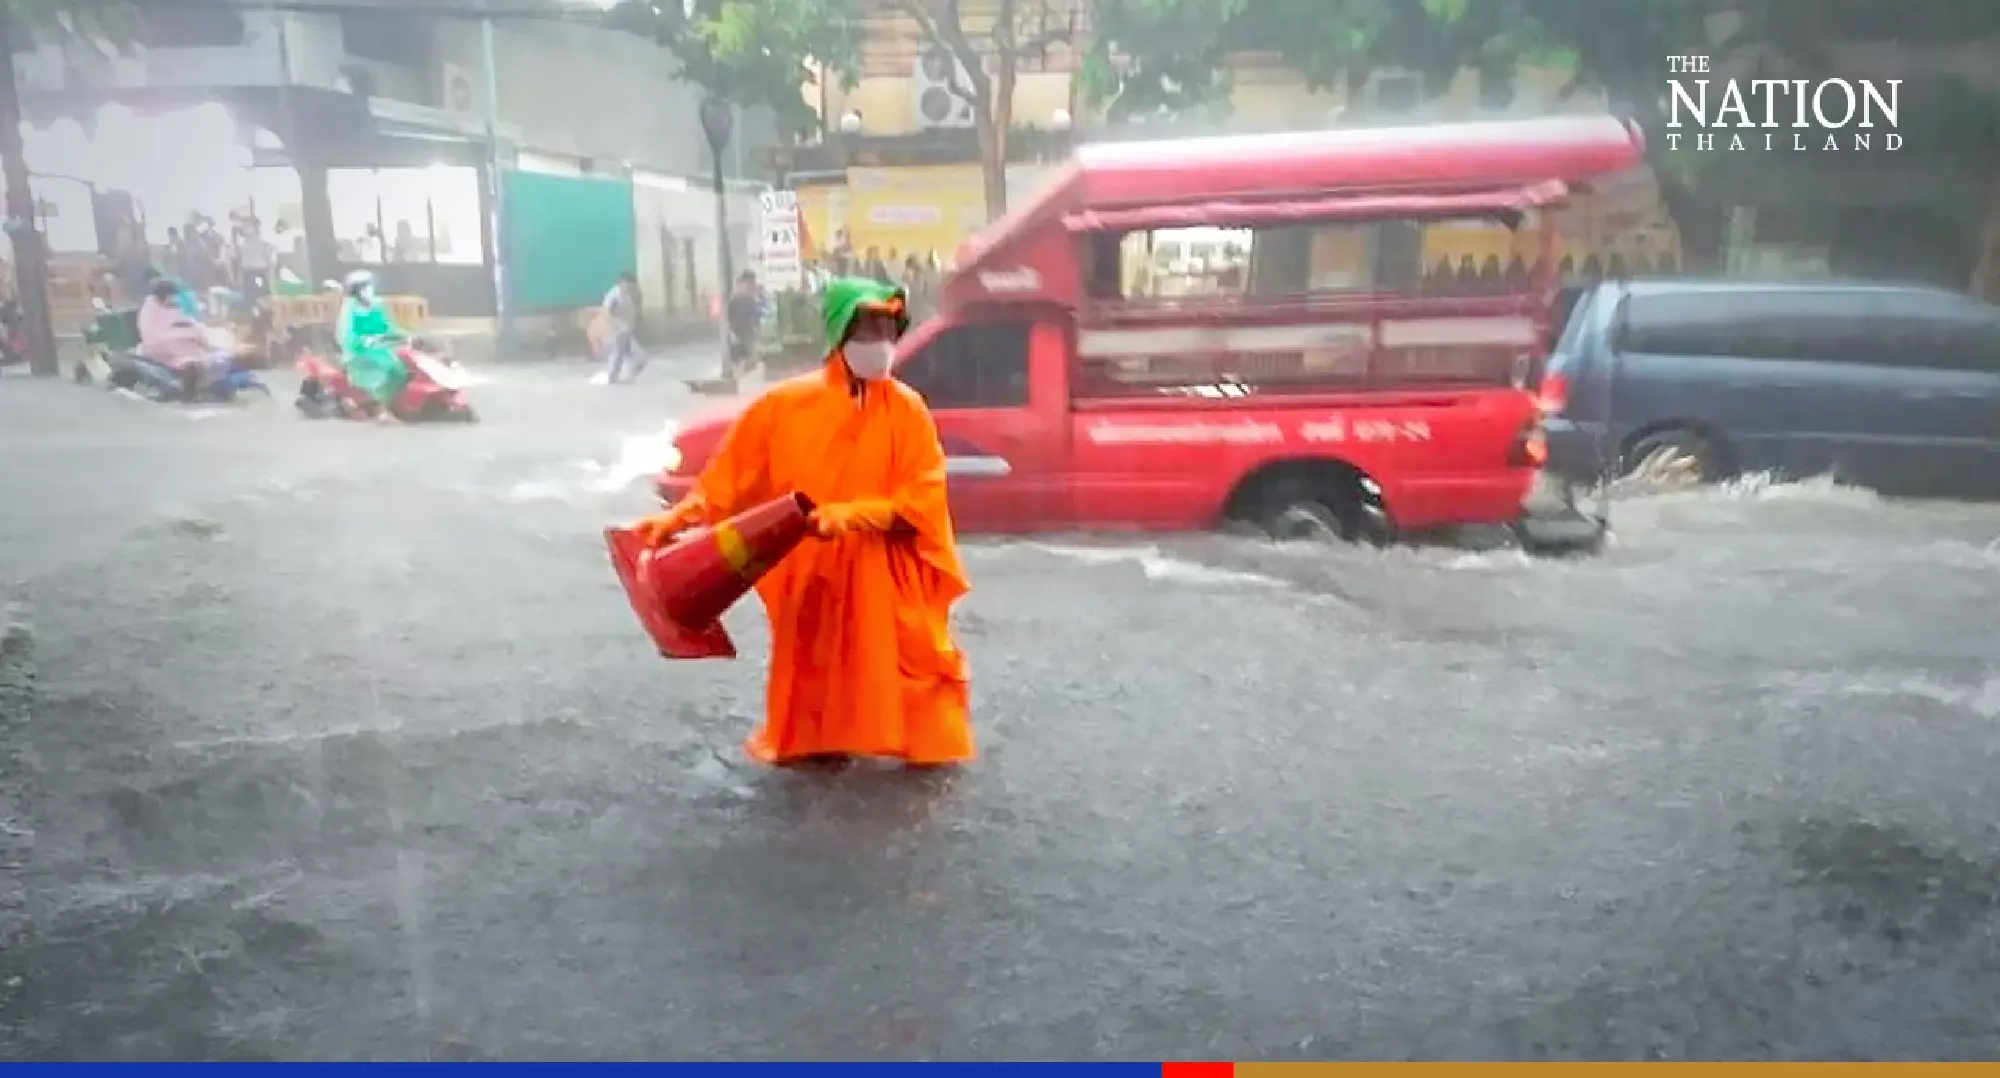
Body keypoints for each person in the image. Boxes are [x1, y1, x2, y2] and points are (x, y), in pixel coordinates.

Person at [631, 277, 974, 769]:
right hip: (812, 573)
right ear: (839, 334)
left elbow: (922, 496)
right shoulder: (784, 408)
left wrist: (851, 516)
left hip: (886, 573)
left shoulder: (908, 410)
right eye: (868, 328)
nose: (881, 342)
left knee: (916, 668)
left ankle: (921, 757)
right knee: (816, 680)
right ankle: (819, 757)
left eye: (888, 328)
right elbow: (731, 479)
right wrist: (682, 518)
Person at [137, 277, 227, 400]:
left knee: (216, 357)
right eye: (172, 295)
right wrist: (183, 335)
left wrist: (196, 333)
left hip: (185, 346)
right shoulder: (150, 311)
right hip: (166, 350)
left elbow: (188, 321)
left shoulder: (173, 307)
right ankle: (189, 393)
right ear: (163, 295)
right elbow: (153, 336)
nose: (174, 298)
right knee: (192, 365)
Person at [335, 270, 407, 422]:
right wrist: (365, 341)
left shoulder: (377, 305)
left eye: (370, 286)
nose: (369, 290)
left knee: (404, 367)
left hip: (383, 350)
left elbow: (389, 327)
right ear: (356, 291)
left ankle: (397, 403)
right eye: (365, 287)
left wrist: (404, 336)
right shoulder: (350, 309)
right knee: (384, 370)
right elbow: (345, 336)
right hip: (358, 355)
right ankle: (381, 409)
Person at [592, 270, 645, 385]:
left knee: (640, 358)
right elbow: (605, 313)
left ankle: (625, 378)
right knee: (617, 359)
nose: (631, 287)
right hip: (616, 333)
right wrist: (619, 324)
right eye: (629, 284)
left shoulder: (626, 295)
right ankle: (613, 382)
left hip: (626, 333)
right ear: (622, 282)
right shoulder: (614, 295)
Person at [725, 270, 762, 378]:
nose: (752, 285)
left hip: (745, 332)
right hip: (741, 333)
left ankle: (738, 375)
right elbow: (730, 317)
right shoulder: (740, 299)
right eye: (751, 282)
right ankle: (737, 376)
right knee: (744, 358)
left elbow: (754, 317)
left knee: (748, 359)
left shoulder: (748, 298)